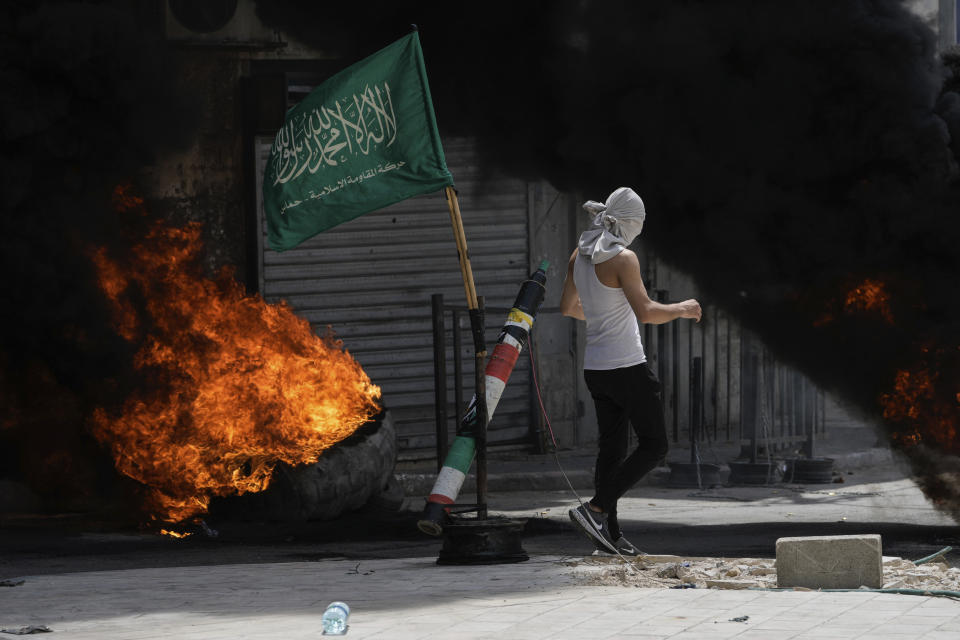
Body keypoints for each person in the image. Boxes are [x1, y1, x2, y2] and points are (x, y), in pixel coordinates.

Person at [560, 187, 701, 555]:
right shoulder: (624, 259)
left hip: (596, 368)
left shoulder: (580, 254)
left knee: (612, 451)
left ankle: (610, 535)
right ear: (628, 222)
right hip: (626, 366)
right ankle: (595, 510)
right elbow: (647, 312)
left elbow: (568, 307)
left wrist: (602, 316)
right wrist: (683, 308)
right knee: (655, 445)